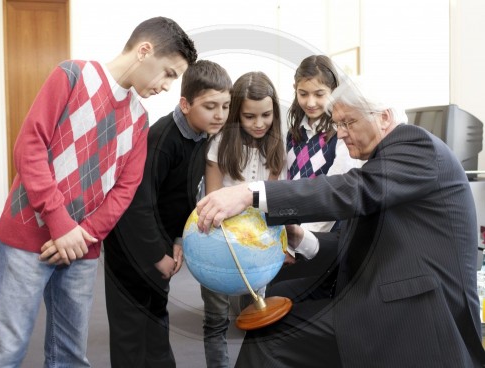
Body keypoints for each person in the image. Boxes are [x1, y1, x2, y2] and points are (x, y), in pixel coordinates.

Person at [195, 77, 485, 367]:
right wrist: (299, 238)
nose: (341, 134)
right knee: (279, 296)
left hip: (411, 308)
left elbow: (349, 190)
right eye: (337, 124)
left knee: (270, 340)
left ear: (383, 118)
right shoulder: (383, 161)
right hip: (376, 288)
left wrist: (251, 193)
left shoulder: (416, 145)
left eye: (348, 123)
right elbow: (357, 241)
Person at [0, 16, 197, 368]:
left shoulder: (139, 117)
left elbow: (124, 190)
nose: (167, 86)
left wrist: (81, 235)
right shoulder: (71, 75)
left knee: (69, 354)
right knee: (4, 350)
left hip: (82, 249)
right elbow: (29, 148)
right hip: (27, 236)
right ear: (145, 51)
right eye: (169, 73)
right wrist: (60, 224)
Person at [103, 59, 232, 368]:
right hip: (130, 246)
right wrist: (154, 255)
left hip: (159, 238)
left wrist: (176, 239)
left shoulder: (203, 136)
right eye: (211, 106)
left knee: (157, 318)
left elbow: (184, 195)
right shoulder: (162, 139)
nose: (220, 115)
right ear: (185, 104)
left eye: (226, 106)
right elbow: (138, 203)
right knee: (130, 330)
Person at [201, 71, 285, 368]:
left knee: (258, 316)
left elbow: (273, 201)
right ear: (238, 113)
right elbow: (211, 198)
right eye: (250, 116)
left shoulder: (276, 146)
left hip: (257, 246)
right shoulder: (221, 143)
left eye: (266, 115)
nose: (259, 124)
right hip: (218, 242)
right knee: (216, 319)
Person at [277, 54, 361, 276]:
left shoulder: (340, 135)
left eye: (319, 94)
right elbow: (290, 185)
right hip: (294, 232)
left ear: (333, 91)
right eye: (303, 94)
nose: (310, 102)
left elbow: (334, 195)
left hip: (322, 237)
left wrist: (298, 241)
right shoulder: (294, 134)